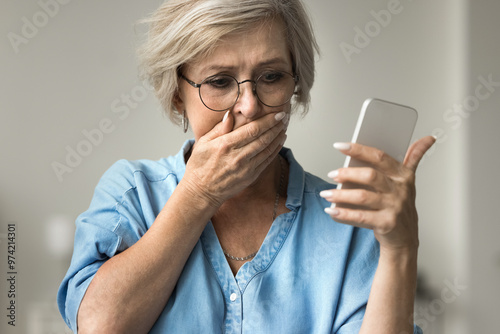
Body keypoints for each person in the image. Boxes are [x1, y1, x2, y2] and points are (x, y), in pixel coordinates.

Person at [57, 0, 435, 333]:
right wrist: (198, 193)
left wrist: (401, 250)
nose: (250, 106)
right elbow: (99, 326)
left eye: (271, 77)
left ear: (296, 84)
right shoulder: (132, 193)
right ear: (176, 94)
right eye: (220, 82)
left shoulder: (348, 223)